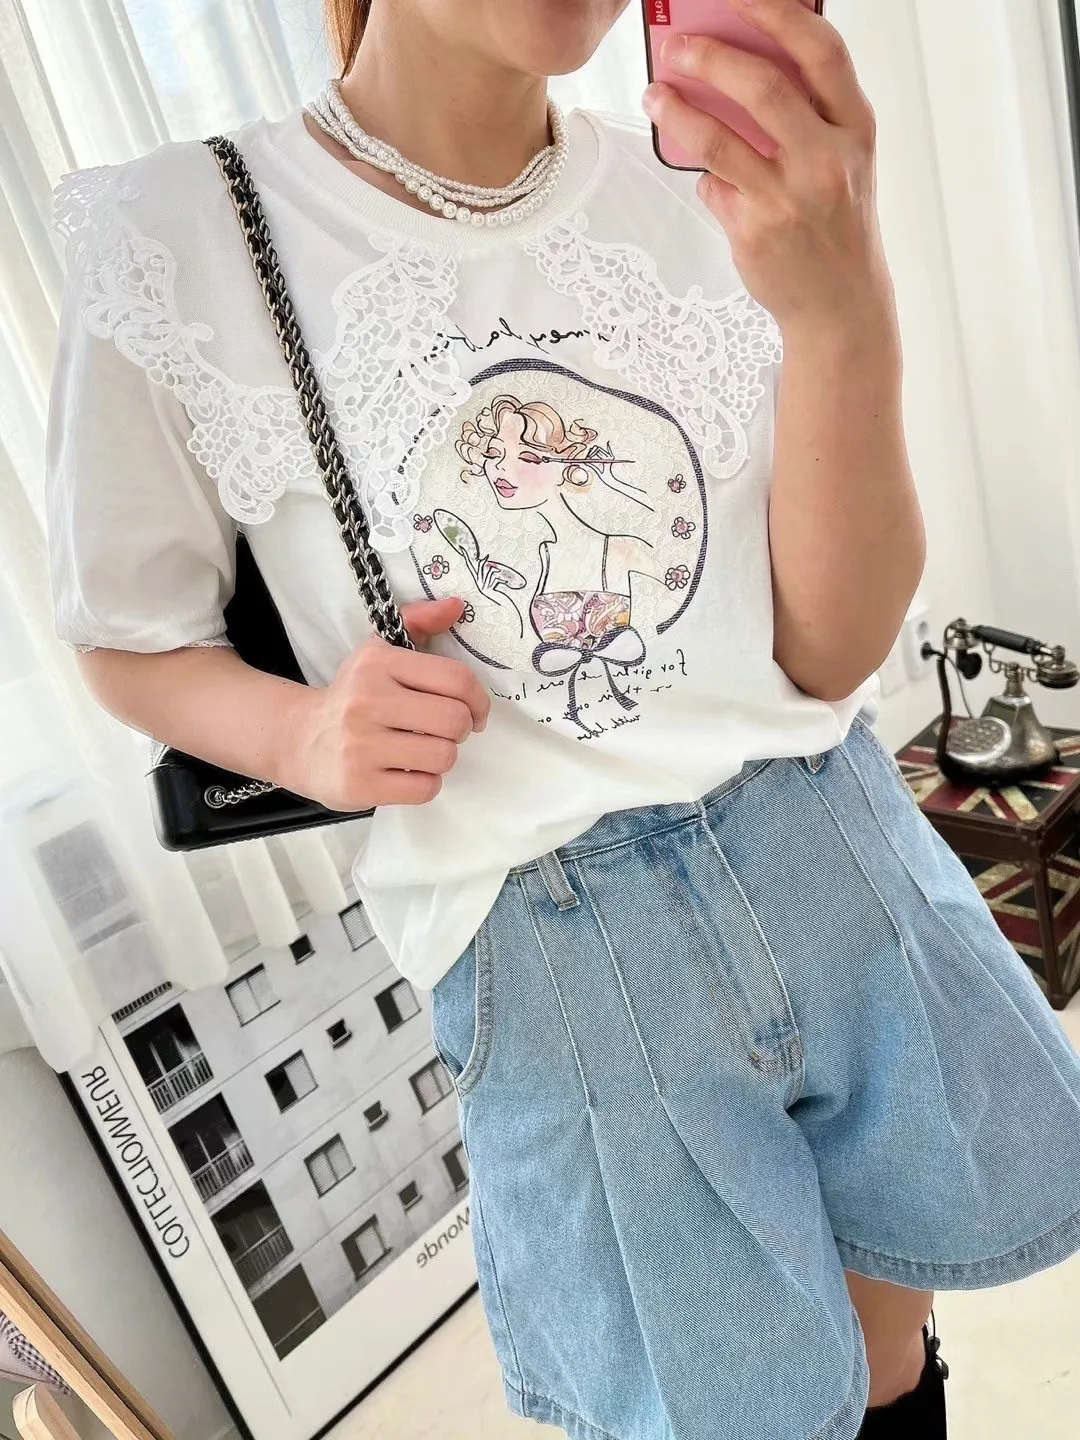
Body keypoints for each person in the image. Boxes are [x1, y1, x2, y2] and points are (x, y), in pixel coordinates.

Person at [43, 0, 1080, 1436]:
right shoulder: (185, 237)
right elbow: (125, 634)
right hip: (566, 962)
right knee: (739, 1416)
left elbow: (829, 652)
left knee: (893, 1370)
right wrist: (301, 738)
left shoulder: (700, 185)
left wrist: (844, 308)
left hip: (835, 856)